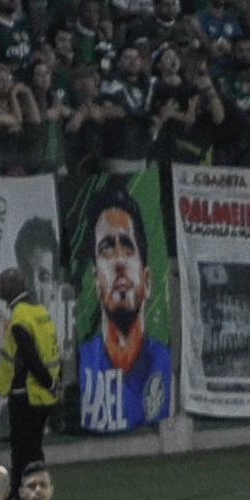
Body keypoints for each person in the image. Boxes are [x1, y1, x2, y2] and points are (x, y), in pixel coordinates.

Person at [70, 182, 176, 434]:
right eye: (107, 248)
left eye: (127, 246)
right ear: (96, 281)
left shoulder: (161, 360)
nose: (118, 261)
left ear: (147, 280)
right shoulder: (88, 358)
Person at [0, 269, 60, 478]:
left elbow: (30, 357)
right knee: (32, 448)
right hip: (42, 392)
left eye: (2, 284)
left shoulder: (20, 317)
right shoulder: (39, 311)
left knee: (24, 451)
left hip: (26, 393)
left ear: (11, 289)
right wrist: (53, 384)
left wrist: (47, 382)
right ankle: (22, 493)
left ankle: (28, 493)